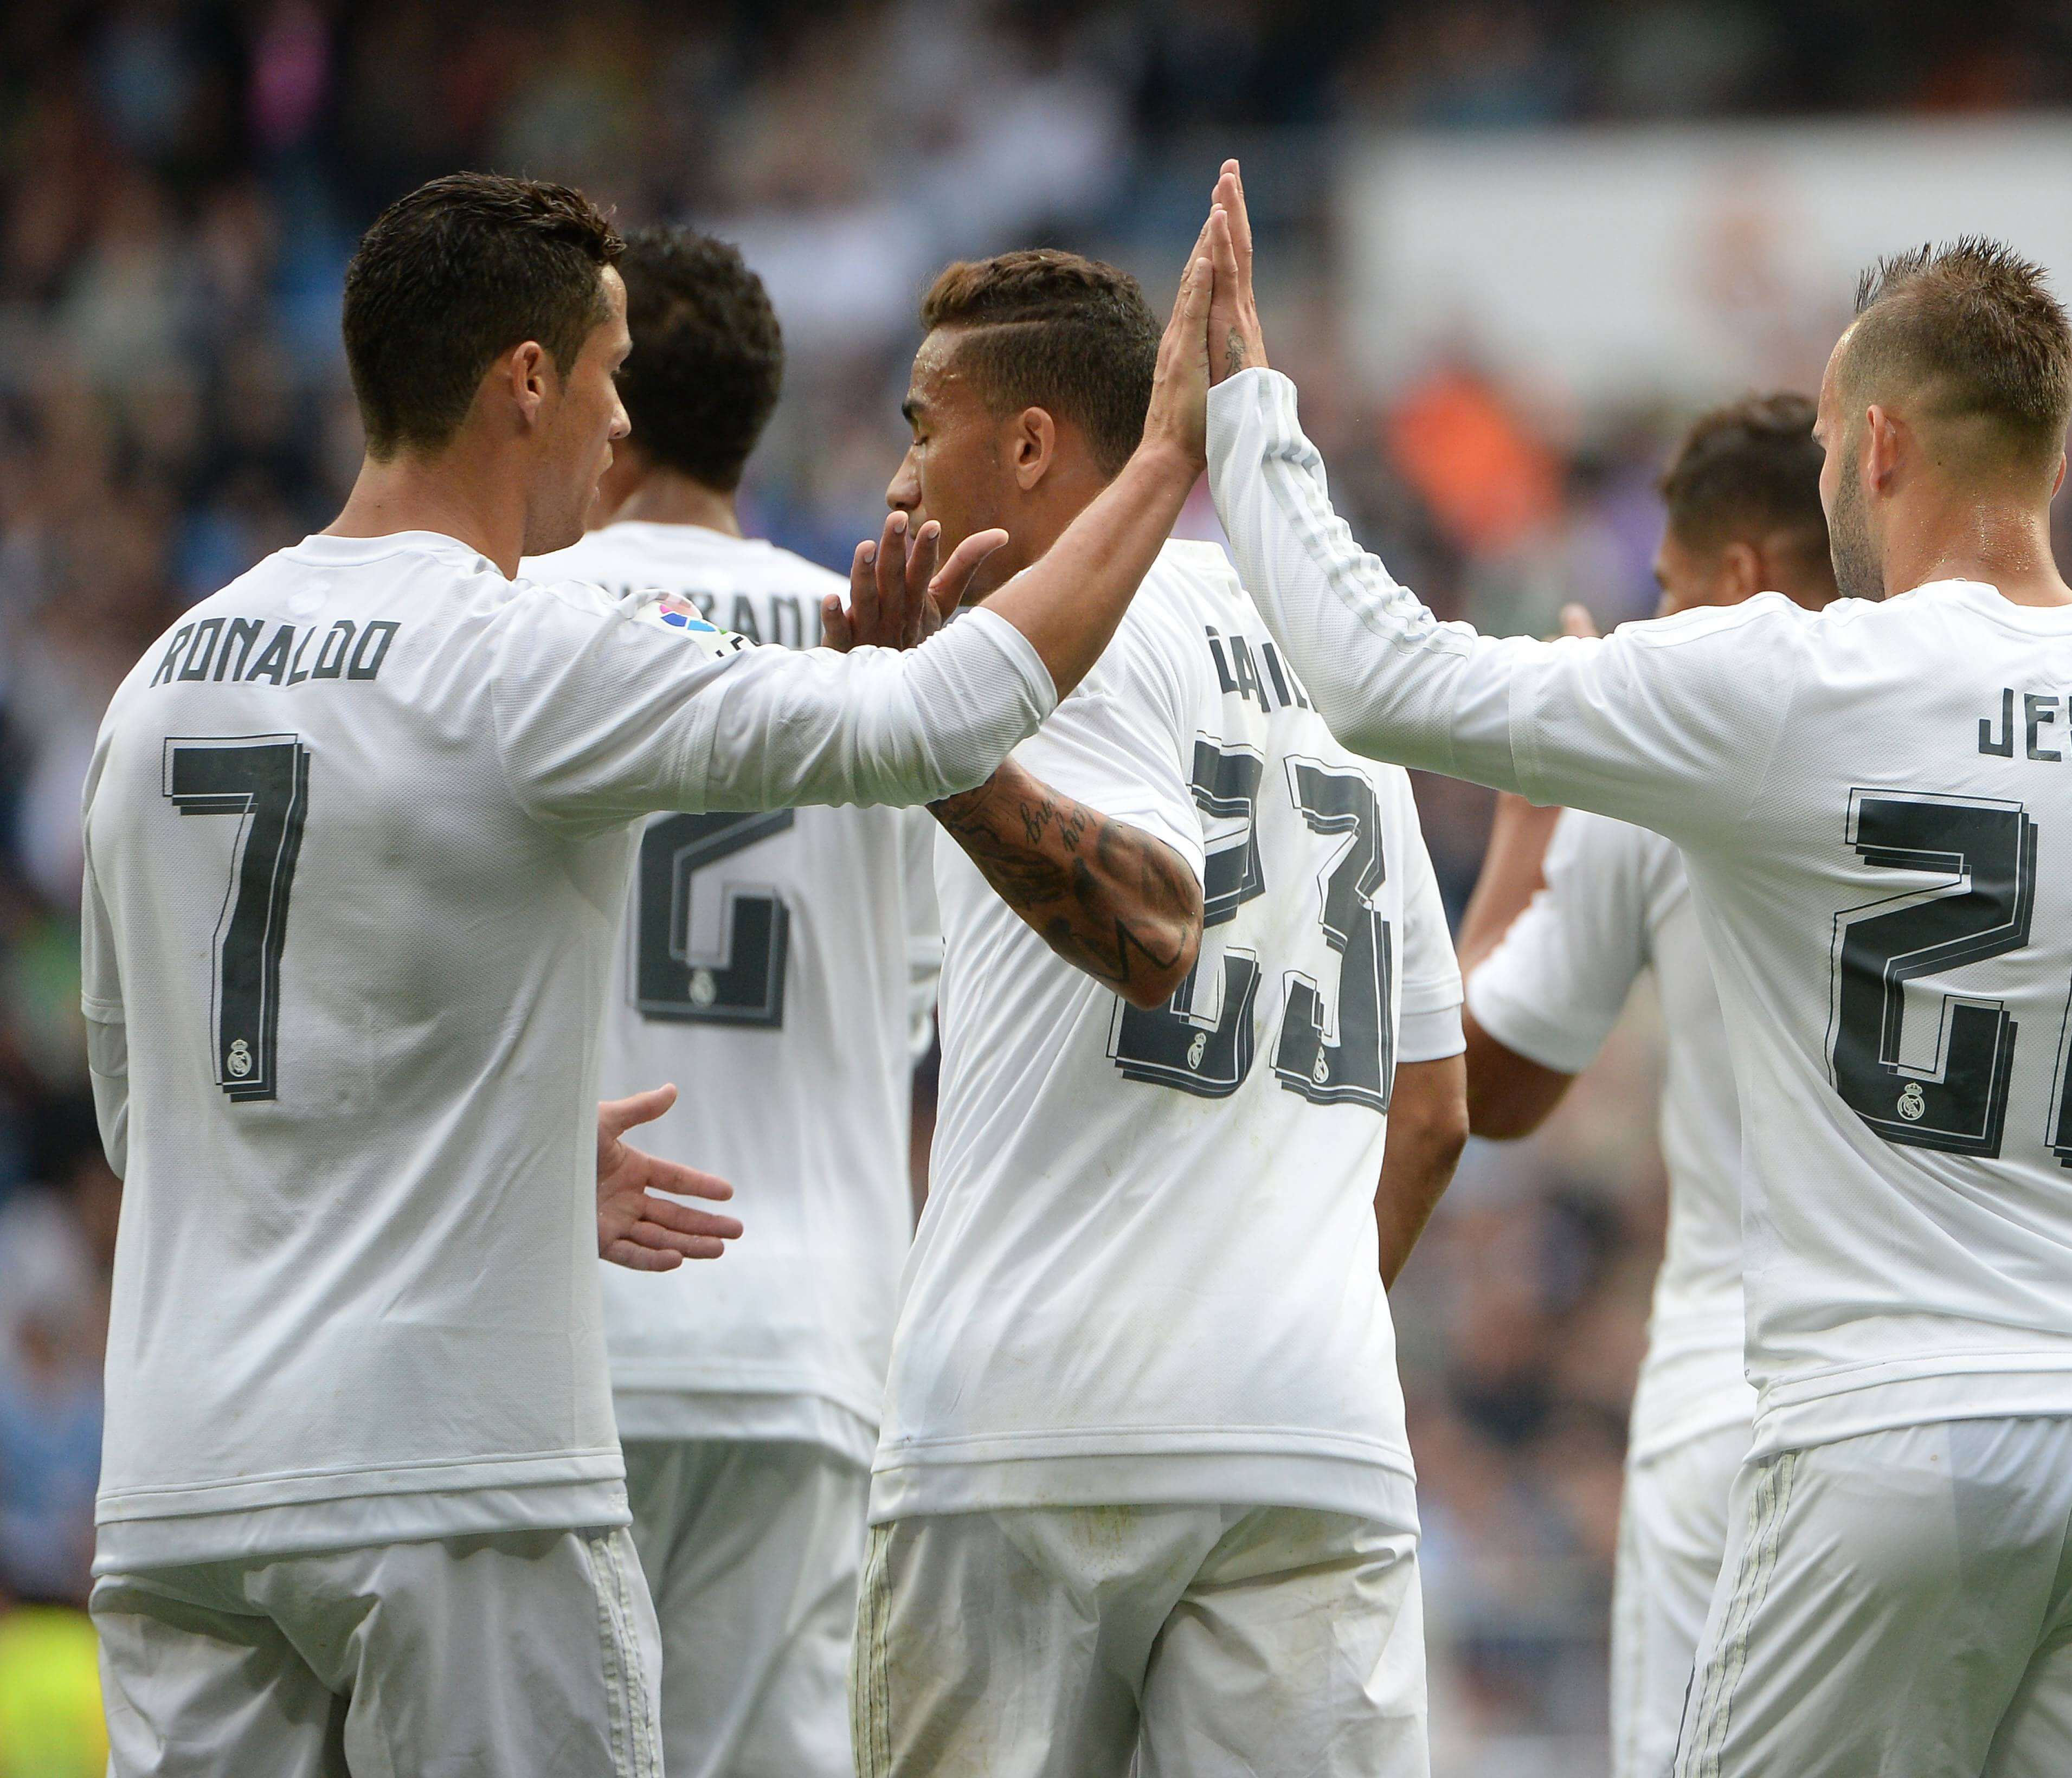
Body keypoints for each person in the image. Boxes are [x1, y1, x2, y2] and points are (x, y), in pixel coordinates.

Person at [1193, 163, 2072, 1776]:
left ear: (1882, 444)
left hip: (1886, 1441)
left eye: (1828, 439)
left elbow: (1383, 679)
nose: (1823, 466)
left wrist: (1248, 410)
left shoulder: (1793, 684)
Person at [78, 173, 1219, 1776]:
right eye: (608, 376)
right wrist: (1167, 458)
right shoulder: (513, 649)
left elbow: (152, 1116)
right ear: (525, 382)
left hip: (184, 1490)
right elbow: (928, 723)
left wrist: (501, 1164)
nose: (621, 427)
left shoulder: (158, 681)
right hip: (460, 1488)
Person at [1456, 392, 2072, 1778]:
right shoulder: (2063, 756)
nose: (1655, 622)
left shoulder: (1673, 748)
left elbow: (1489, 1082)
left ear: (1744, 576)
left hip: (1767, 1414)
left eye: (1670, 586)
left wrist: (1525, 832)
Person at [850, 241, 1470, 1778]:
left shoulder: (1038, 637)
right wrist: (1288, 1307)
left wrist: (938, 751)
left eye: (922, 427)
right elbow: (1437, 1107)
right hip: (1312, 1426)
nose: (899, 479)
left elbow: (1148, 926)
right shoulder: (1334, 658)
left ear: (1033, 446)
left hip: (1036, 1425)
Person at [522, 226, 940, 1778]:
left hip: (562, 1313)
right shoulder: (877, 652)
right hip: (811, 1325)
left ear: (603, 400)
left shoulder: (515, 622)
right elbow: (915, 992)